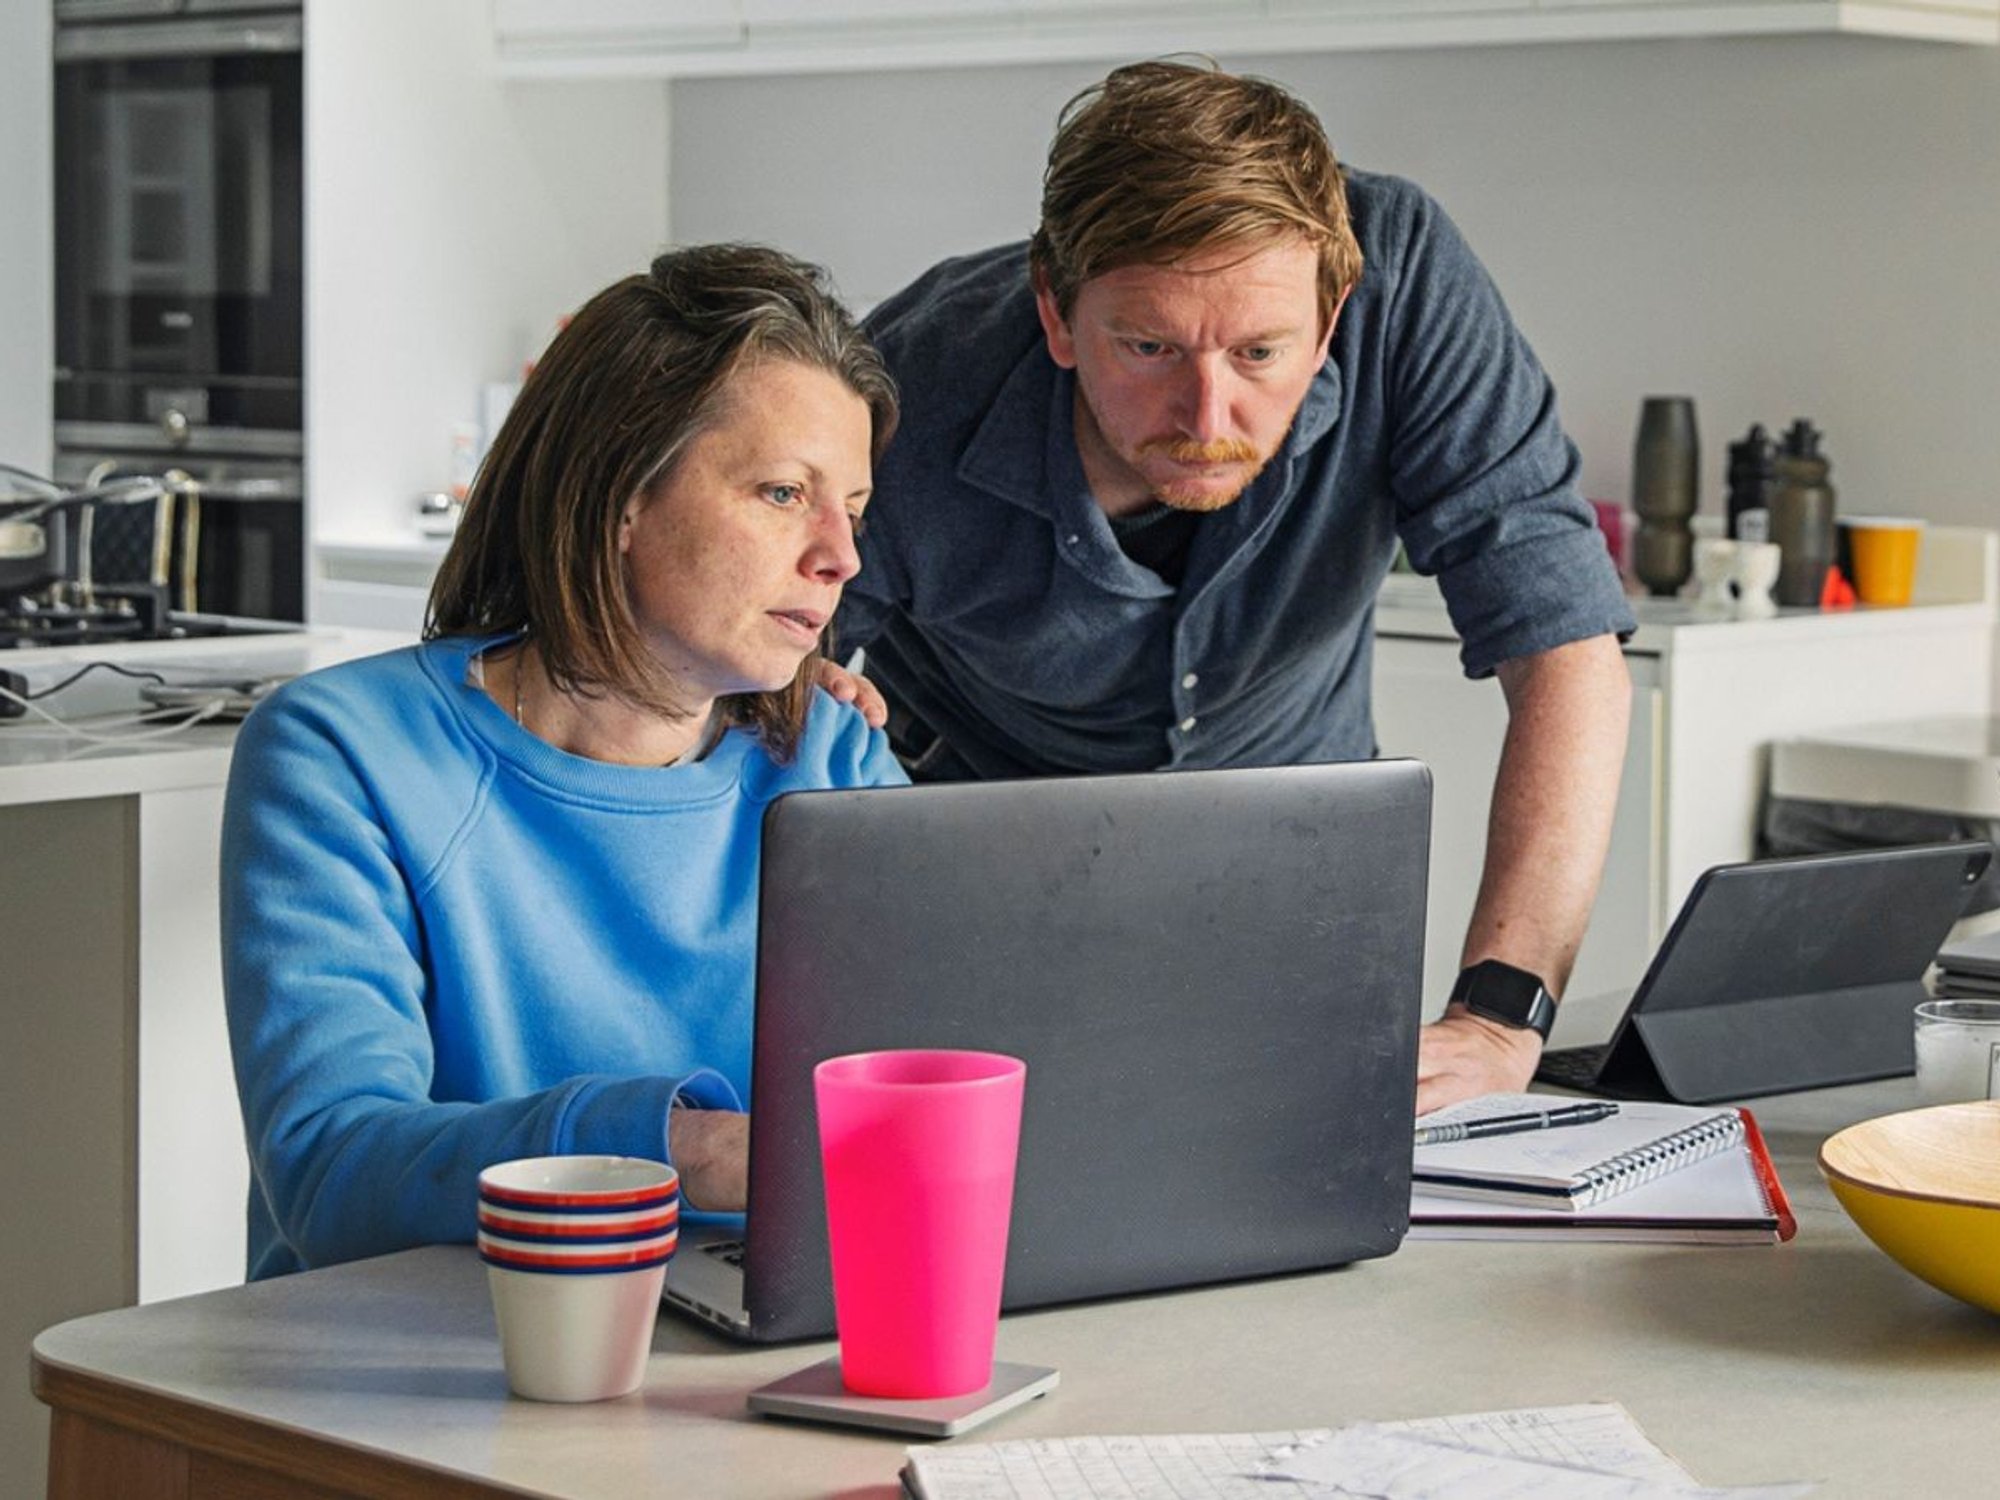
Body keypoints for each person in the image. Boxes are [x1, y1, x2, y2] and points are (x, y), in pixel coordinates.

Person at [830, 60, 1636, 1113]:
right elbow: (745, 679)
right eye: (1148, 345)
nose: (1205, 417)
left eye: (1259, 352)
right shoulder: (904, 390)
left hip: (1300, 900)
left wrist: (1498, 1015)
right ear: (1056, 312)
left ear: (1333, 312)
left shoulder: (1406, 286)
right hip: (978, 914)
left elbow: (1567, 652)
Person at [221, 245, 904, 1279]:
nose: (838, 557)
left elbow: (936, 1096)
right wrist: (692, 1152)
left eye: (849, 510)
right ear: (618, 497)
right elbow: (332, 1174)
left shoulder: (833, 755)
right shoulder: (341, 754)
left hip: (739, 1362)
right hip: (411, 1368)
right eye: (779, 493)